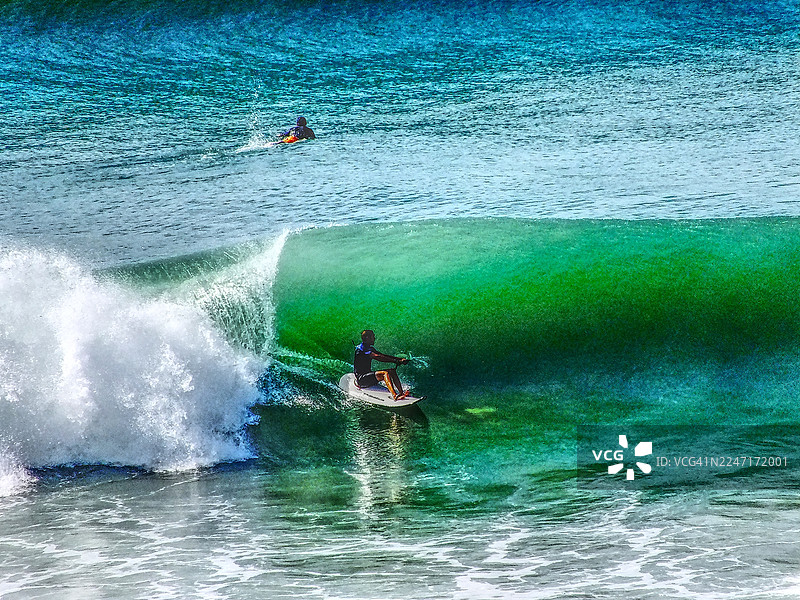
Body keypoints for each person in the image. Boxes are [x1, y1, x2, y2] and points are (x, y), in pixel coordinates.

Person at [354, 329, 409, 400]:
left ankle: (401, 393)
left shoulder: (369, 348)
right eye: (373, 336)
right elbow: (377, 357)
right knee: (384, 373)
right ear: (367, 338)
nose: (374, 338)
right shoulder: (361, 349)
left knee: (392, 371)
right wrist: (395, 361)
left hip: (368, 376)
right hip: (362, 380)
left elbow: (382, 355)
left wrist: (399, 359)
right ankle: (395, 396)